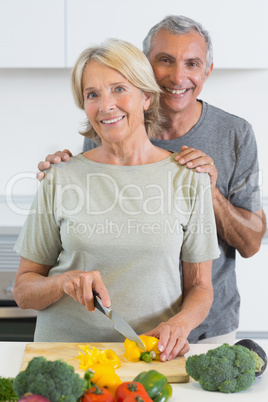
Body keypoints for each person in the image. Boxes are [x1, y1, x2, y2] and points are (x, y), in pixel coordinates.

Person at [37, 15, 267, 344]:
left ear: (207, 72)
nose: (178, 76)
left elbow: (251, 243)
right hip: (124, 327)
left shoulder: (235, 134)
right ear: (144, 68)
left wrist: (209, 191)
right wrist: (62, 170)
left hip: (208, 325)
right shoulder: (112, 123)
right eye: (165, 61)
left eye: (192, 64)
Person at [14, 38, 220, 360]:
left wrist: (179, 326)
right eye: (92, 94)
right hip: (63, 357)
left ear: (146, 97)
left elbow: (201, 288)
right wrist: (64, 282)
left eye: (119, 89)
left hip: (148, 357)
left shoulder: (188, 177)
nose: (106, 105)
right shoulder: (60, 176)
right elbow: (24, 291)